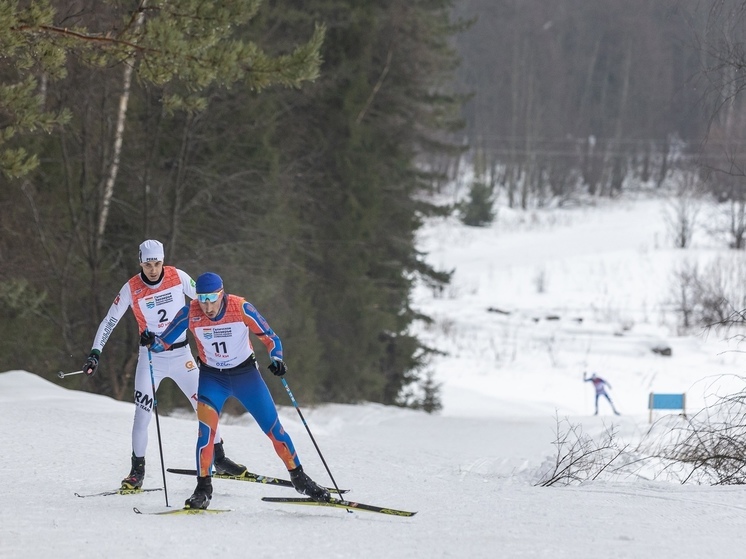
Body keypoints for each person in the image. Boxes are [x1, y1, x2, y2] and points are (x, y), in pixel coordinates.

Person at [141, 271, 331, 509]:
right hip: (212, 379)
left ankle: (300, 478)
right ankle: (203, 488)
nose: (208, 306)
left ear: (222, 294)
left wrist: (277, 359)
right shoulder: (190, 312)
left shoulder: (241, 307)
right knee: (205, 433)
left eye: (212, 298)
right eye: (202, 299)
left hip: (246, 376)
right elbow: (162, 343)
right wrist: (150, 340)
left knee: (274, 429)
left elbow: (272, 339)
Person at [82, 240, 245, 490]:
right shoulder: (131, 288)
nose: (153, 269)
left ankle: (219, 458)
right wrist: (95, 352)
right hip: (151, 359)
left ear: (163, 261)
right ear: (140, 262)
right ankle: (136, 472)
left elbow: (206, 301)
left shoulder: (177, 276)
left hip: (182, 356)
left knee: (205, 405)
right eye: (148, 264)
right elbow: (109, 321)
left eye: (157, 263)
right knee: (142, 415)